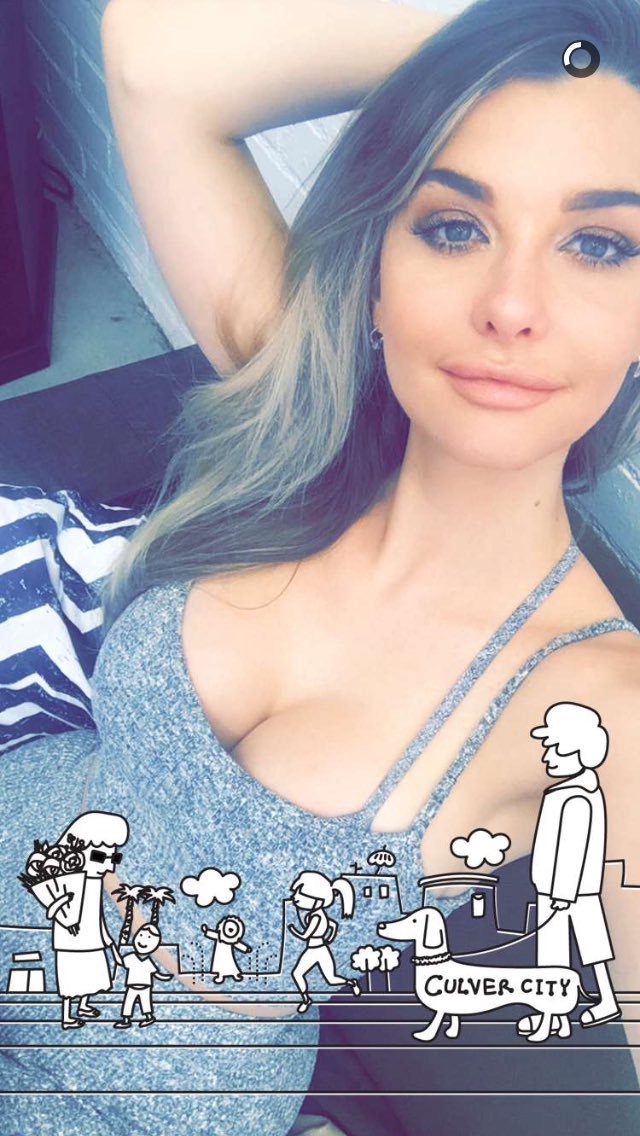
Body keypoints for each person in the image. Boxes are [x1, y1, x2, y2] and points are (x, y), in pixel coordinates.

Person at [2, 0, 640, 1133]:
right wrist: (554, 43)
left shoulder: (601, 707)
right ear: (380, 270)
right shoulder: (298, 419)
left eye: (599, 244)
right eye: (453, 224)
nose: (509, 305)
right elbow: (154, 58)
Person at [289, 872, 362, 1012]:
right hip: (315, 948)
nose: (295, 897)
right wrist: (330, 937)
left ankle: (351, 983)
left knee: (330, 979)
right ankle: (306, 999)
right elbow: (333, 925)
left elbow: (305, 935)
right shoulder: (317, 914)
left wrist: (292, 929)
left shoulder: (316, 917)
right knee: (299, 973)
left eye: (300, 894)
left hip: (318, 950)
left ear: (318, 900)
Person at [113, 923, 173, 1028]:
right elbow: (120, 961)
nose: (143, 941)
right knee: (128, 1003)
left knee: (146, 1004)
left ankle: (149, 1017)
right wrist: (114, 950)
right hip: (132, 986)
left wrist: (165, 977)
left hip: (145, 987)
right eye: (141, 935)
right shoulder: (131, 957)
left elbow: (156, 974)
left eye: (149, 938)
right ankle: (126, 1020)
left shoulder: (148, 961)